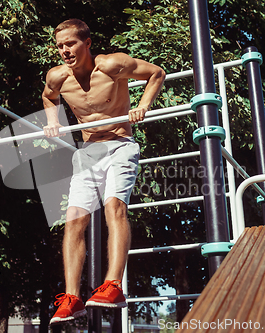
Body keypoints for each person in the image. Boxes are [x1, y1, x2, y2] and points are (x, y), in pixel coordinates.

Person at [42, 18, 165, 325]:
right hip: (87, 153)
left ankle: (113, 285)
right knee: (74, 221)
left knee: (114, 208)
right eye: (60, 46)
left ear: (88, 43)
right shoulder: (57, 77)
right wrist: (53, 119)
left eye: (70, 43)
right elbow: (47, 97)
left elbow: (156, 74)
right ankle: (72, 297)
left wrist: (143, 104)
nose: (65, 51)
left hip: (121, 145)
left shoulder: (112, 65)